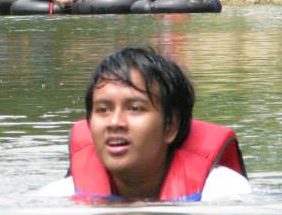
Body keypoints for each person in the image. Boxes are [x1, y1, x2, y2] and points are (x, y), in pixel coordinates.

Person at [40, 47, 250, 201]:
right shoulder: (58, 199)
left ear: (170, 127)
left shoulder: (224, 193)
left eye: (135, 108)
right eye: (103, 110)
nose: (114, 123)